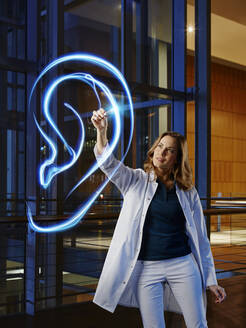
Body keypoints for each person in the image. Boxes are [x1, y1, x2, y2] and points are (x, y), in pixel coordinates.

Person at [91, 108, 226, 328]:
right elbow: (107, 163)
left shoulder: (188, 191)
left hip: (182, 264)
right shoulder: (135, 180)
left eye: (170, 150)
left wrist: (211, 281)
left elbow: (201, 238)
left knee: (198, 324)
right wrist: (102, 131)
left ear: (176, 159)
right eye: (160, 146)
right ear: (153, 150)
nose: (162, 153)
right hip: (147, 268)